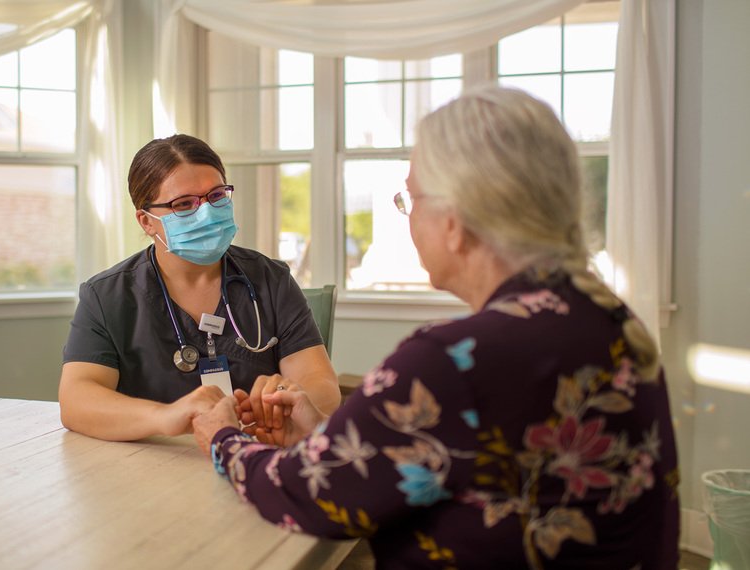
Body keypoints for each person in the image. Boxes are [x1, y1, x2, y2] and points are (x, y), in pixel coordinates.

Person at [192, 86, 680, 568]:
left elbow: (308, 494)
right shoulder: (610, 318)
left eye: (413, 197)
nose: (409, 215)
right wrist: (325, 434)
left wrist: (224, 439)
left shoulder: (451, 361)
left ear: (457, 218)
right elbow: (481, 463)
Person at [59, 134, 340, 441]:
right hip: (153, 462)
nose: (206, 212)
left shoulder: (271, 280)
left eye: (217, 196)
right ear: (146, 221)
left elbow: (320, 383)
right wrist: (166, 416)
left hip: (256, 451)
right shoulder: (106, 297)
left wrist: (284, 399)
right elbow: (77, 399)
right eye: (184, 204)